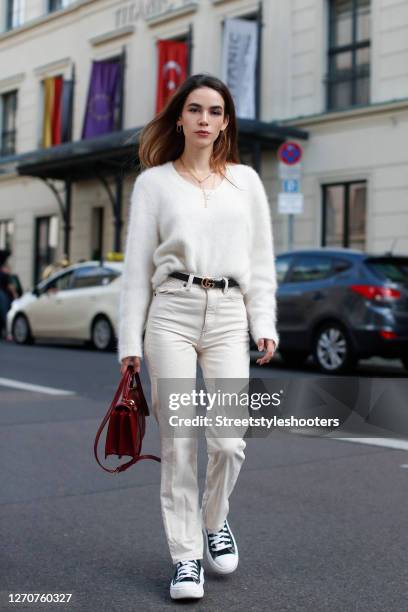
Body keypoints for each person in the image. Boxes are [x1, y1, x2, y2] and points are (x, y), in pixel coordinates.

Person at [118, 74, 279, 601]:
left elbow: (260, 262)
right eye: (194, 109)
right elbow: (136, 270)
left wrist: (265, 322)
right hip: (172, 312)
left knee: (229, 442)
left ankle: (215, 520)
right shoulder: (154, 184)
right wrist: (129, 345)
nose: (204, 119)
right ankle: (186, 558)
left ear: (226, 120)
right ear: (180, 118)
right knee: (181, 442)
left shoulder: (246, 183)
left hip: (230, 312)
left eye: (214, 110)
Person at [0, 249, 18, 339]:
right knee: (6, 312)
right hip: (2, 293)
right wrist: (15, 295)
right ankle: (9, 333)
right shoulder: (4, 272)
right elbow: (10, 285)